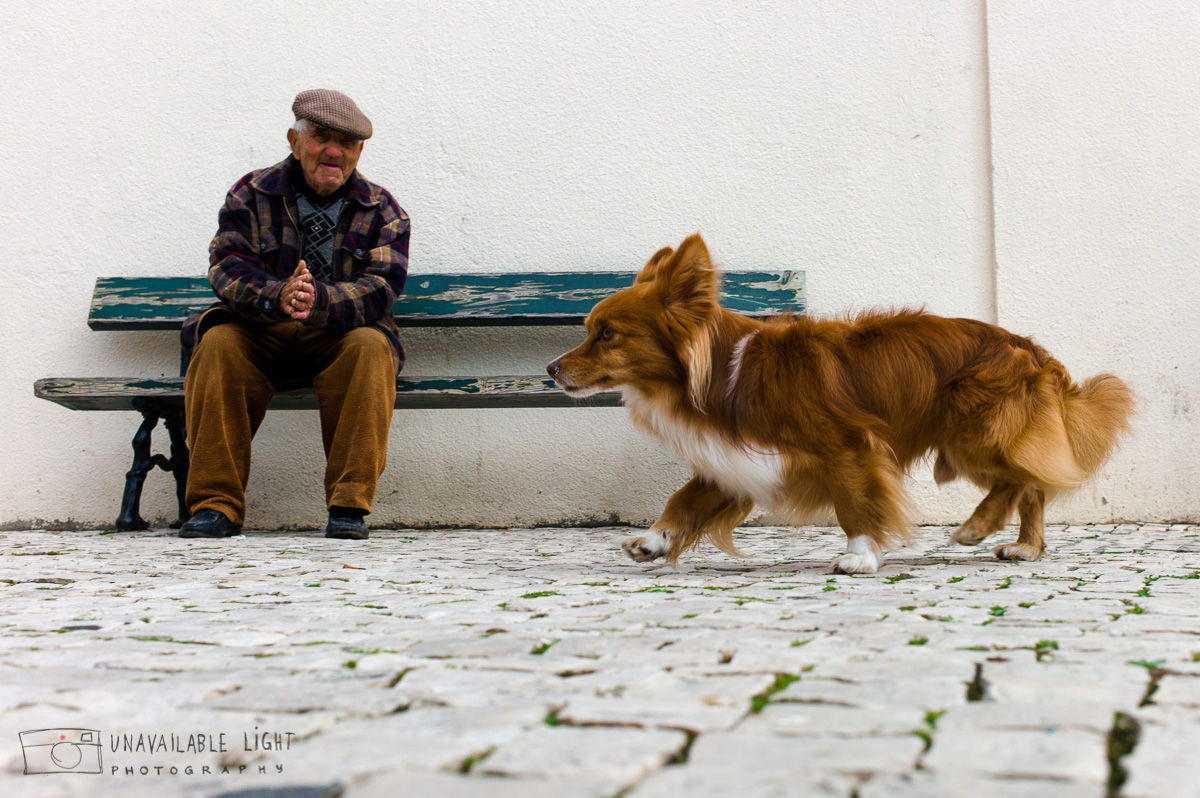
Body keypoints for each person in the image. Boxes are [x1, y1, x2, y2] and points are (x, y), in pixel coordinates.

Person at [178, 89, 409, 540]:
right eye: (322, 137)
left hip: (336, 336)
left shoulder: (383, 209)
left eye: (347, 144)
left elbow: (382, 286)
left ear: (359, 151)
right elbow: (227, 265)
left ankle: (348, 507)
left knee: (370, 347)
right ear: (294, 140)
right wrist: (276, 295)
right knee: (218, 344)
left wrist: (317, 300)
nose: (333, 151)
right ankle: (215, 505)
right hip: (259, 330)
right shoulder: (251, 192)